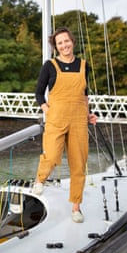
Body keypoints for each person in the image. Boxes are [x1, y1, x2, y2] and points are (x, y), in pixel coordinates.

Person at [33, 27, 97, 223]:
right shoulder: (49, 65)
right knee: (51, 155)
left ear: (72, 42)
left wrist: (89, 114)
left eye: (66, 41)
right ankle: (39, 179)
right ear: (56, 47)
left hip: (79, 119)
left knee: (78, 164)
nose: (64, 45)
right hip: (56, 118)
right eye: (60, 43)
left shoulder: (84, 65)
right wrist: (47, 109)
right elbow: (38, 93)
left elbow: (85, 94)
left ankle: (76, 207)